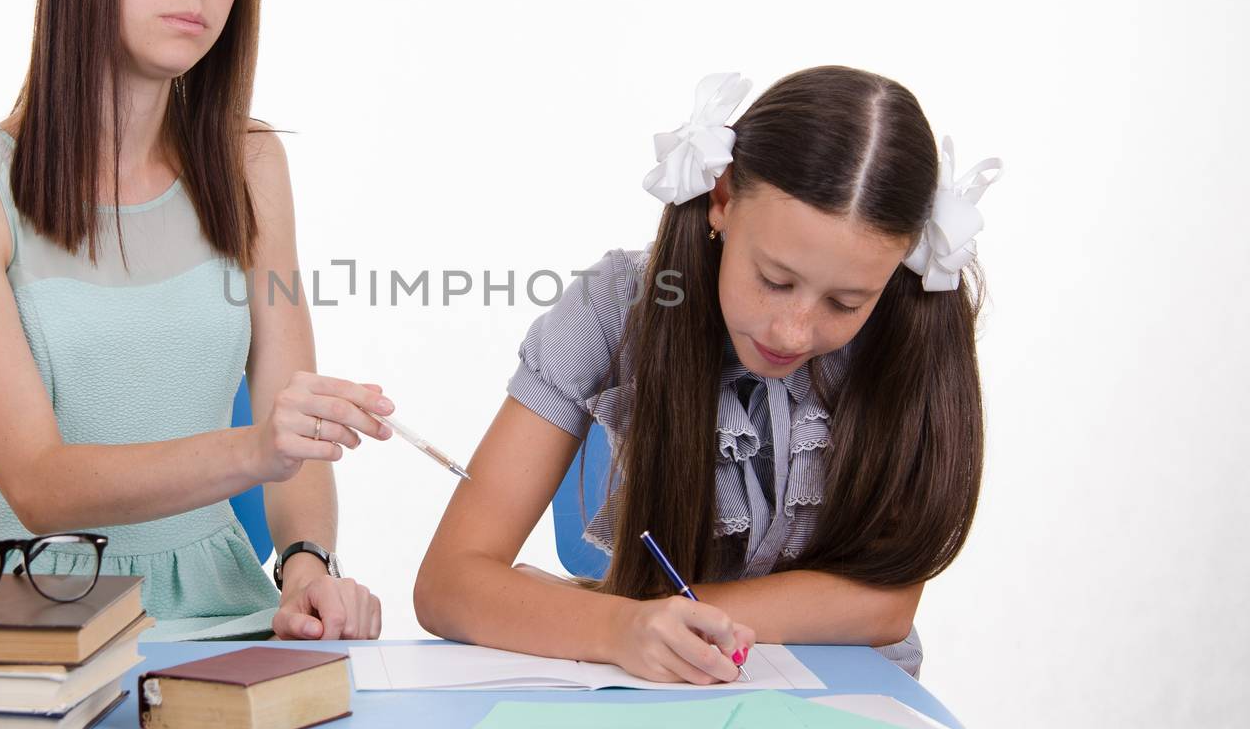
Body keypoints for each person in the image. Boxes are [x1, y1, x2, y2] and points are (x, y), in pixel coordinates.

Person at [0, 0, 392, 641]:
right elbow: (39, 484)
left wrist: (308, 566)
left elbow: (290, 411)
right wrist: (255, 450)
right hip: (32, 626)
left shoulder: (252, 166)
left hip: (224, 614)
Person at [415, 66, 1000, 680]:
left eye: (845, 303)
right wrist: (621, 630)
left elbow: (884, 603)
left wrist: (620, 608)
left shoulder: (909, 328)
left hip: (849, 705)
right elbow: (450, 582)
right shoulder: (612, 307)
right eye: (774, 281)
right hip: (651, 699)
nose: (793, 332)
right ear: (721, 201)